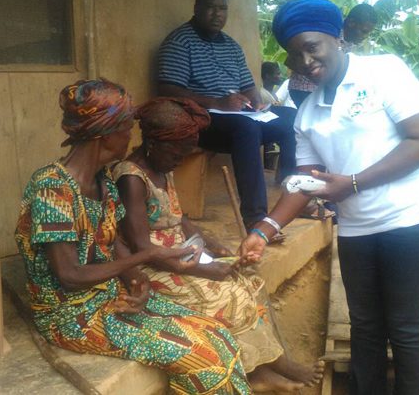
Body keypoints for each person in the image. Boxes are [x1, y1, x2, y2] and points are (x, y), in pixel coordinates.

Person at [239, 0, 419, 394]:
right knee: (364, 324)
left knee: (405, 325)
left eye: (312, 47)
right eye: (295, 54)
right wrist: (264, 229)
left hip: (410, 217)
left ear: (336, 37)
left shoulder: (384, 71)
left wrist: (352, 183)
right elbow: (304, 181)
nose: (305, 60)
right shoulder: (309, 113)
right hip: (356, 229)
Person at [14, 79, 250, 394]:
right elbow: (70, 275)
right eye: (126, 128)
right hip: (72, 316)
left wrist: (137, 281)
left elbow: (114, 244)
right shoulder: (53, 189)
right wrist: (148, 255)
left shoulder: (103, 181)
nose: (130, 136)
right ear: (105, 134)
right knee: (204, 358)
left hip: (112, 296)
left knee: (219, 335)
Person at [113, 97, 324, 393]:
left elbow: (178, 218)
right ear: (153, 143)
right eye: (177, 153)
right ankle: (262, 372)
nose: (180, 160)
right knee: (226, 298)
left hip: (181, 257)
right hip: (154, 267)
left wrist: (214, 246)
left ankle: (265, 366)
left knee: (249, 282)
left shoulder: (163, 166)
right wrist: (204, 270)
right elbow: (141, 248)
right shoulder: (131, 179)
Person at [154, 0, 297, 229]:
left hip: (239, 115)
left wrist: (256, 102)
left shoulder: (231, 45)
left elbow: (248, 86)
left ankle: (292, 192)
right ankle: (255, 217)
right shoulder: (179, 42)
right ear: (197, 8)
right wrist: (217, 103)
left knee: (291, 118)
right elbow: (168, 89)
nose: (217, 14)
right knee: (247, 128)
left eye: (222, 8)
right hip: (202, 120)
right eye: (211, 7)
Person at [287, 2, 378, 108]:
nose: (365, 36)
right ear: (351, 23)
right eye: (364, 31)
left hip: (324, 90)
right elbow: (289, 61)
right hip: (303, 89)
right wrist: (312, 73)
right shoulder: (328, 34)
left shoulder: (350, 42)